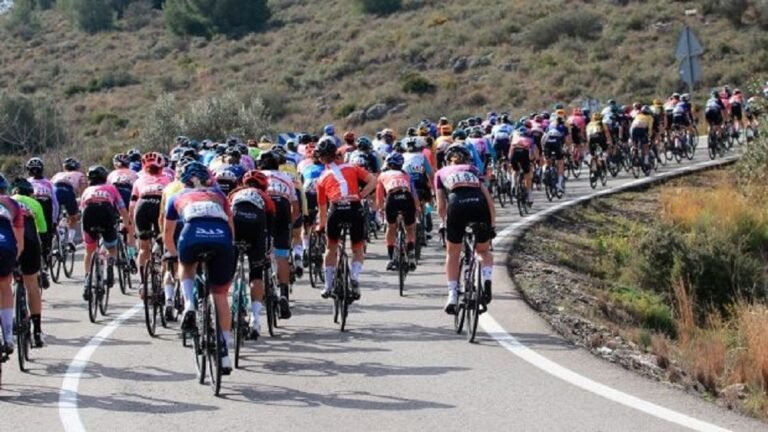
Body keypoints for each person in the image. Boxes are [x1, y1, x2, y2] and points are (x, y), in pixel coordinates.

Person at [164, 162, 235, 372]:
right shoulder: (220, 196)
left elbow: (168, 234)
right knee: (220, 296)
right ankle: (225, 354)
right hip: (221, 237)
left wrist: (176, 255)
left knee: (185, 266)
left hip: (191, 233)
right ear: (208, 179)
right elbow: (231, 229)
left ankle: (188, 305)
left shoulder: (176, 197)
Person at [434, 145, 495, 314]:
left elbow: (440, 206)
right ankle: (486, 281)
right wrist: (492, 226)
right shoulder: (473, 169)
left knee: (453, 252)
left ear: (446, 160)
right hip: (479, 205)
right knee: (483, 251)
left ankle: (452, 294)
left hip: (456, 204)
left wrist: (445, 222)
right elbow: (488, 200)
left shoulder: (440, 173)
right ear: (467, 159)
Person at [314, 138, 377, 300]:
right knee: (357, 248)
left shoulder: (322, 177)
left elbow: (322, 207)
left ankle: (328, 286)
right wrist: (361, 195)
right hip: (354, 207)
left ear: (322, 158)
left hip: (336, 210)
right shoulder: (353, 167)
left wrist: (321, 226)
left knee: (331, 248)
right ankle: (355, 277)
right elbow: (373, 180)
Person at [229, 170, 275, 340]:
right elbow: (270, 227)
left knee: (227, 271)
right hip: (257, 224)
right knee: (256, 274)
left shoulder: (235, 193)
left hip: (235, 220)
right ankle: (255, 318)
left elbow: (226, 213)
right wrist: (267, 249)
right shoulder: (265, 196)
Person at [80, 166, 130, 300]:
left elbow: (82, 212)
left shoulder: (87, 190)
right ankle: (110, 263)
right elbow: (122, 208)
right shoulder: (111, 188)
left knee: (89, 250)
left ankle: (87, 281)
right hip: (106, 213)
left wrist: (86, 236)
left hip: (89, 214)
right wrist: (126, 224)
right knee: (111, 246)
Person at [257, 151, 297, 319]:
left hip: (263, 204)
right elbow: (295, 205)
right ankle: (283, 294)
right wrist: (290, 225)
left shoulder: (255, 176)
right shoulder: (286, 177)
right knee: (282, 255)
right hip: (282, 207)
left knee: (259, 253)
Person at [11, 178, 46, 347]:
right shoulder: (34, 203)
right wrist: (46, 253)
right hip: (31, 241)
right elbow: (44, 230)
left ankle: (8, 323)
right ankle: (37, 332)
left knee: (5, 283)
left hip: (9, 243)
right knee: (32, 285)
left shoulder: (6, 202)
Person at [130, 152, 171, 294]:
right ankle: (165, 283)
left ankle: (143, 283)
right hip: (159, 205)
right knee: (166, 247)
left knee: (143, 248)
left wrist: (132, 225)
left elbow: (132, 205)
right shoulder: (167, 179)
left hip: (142, 206)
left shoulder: (138, 180)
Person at [376, 152, 418, 271]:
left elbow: (379, 197)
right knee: (410, 228)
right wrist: (417, 207)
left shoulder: (382, 175)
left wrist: (381, 209)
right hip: (406, 197)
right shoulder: (406, 175)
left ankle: (390, 258)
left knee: (391, 227)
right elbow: (413, 193)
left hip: (392, 197)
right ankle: (411, 253)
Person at [0, 174, 24, 354]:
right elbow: (19, 242)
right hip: (5, 247)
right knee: (5, 285)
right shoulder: (12, 203)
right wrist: (15, 261)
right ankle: (8, 336)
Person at [26, 158, 58, 263]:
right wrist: (54, 220)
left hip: (31, 210)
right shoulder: (48, 183)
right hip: (46, 209)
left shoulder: (26, 182)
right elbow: (55, 203)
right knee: (46, 234)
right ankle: (46, 255)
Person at [51, 158, 86, 252]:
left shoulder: (57, 175)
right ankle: (70, 240)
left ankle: (59, 237)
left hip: (55, 192)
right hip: (68, 192)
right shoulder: (80, 174)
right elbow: (82, 192)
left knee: (56, 218)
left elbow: (49, 186)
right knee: (74, 217)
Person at [509, 127, 534, 205]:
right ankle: (529, 196)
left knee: (515, 170)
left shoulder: (514, 138)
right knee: (527, 174)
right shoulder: (530, 139)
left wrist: (509, 160)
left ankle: (513, 184)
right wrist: (532, 160)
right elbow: (532, 154)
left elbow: (510, 152)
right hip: (524, 153)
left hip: (514, 153)